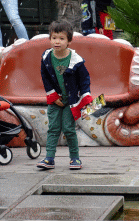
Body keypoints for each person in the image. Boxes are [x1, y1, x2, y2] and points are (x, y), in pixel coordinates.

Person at [37, 20, 93, 170]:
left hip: (71, 101)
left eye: (62, 38)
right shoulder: (46, 58)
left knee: (68, 129)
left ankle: (75, 158)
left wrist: (86, 96)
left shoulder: (76, 61)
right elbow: (45, 78)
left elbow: (85, 79)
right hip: (55, 100)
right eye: (54, 38)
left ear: (69, 41)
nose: (57, 41)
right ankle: (49, 158)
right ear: (49, 39)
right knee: (53, 128)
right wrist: (53, 97)